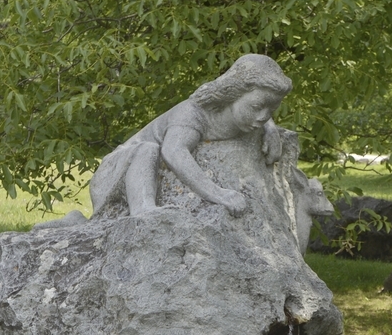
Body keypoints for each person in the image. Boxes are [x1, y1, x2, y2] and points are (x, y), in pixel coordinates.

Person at [89, 54, 292, 218]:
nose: (263, 116)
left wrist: (271, 129)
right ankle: (143, 210)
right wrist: (219, 194)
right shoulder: (192, 114)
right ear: (233, 93)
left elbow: (262, 107)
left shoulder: (251, 115)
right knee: (147, 149)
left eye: (271, 109)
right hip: (112, 176)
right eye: (257, 107)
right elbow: (174, 151)